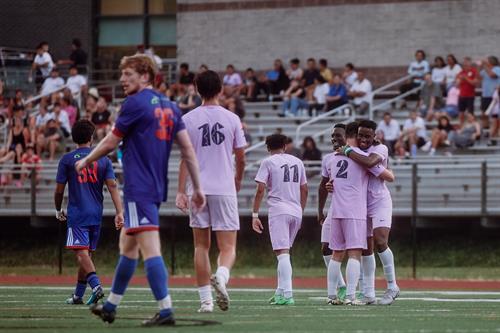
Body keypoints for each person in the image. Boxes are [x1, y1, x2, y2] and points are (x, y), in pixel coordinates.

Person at [77, 54, 205, 326]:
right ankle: (111, 306)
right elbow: (188, 150)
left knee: (150, 249)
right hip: (156, 188)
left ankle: (166, 309)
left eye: (129, 74)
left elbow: (111, 142)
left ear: (145, 75)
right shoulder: (171, 107)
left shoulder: (134, 103)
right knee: (128, 247)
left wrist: (87, 159)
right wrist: (198, 187)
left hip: (139, 189)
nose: (122, 79)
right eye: (122, 74)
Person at [176, 70, 246, 313]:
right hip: (224, 188)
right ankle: (222, 277)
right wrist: (237, 179)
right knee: (228, 247)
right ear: (221, 90)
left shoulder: (188, 119)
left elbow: (185, 158)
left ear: (196, 89)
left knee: (200, 247)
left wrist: (180, 191)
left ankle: (206, 302)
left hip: (198, 189)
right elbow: (241, 157)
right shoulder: (232, 118)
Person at [55, 119, 123, 305]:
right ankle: (78, 295)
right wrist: (119, 212)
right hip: (96, 214)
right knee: (86, 255)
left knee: (81, 254)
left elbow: (59, 190)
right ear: (91, 138)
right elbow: (113, 186)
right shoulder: (103, 159)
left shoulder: (67, 160)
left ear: (74, 138)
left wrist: (58, 208)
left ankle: (96, 286)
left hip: (78, 214)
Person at [324, 121, 392, 305]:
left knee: (337, 253)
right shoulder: (362, 157)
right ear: (356, 135)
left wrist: (330, 185)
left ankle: (331, 295)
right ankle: (350, 296)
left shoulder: (334, 157)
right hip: (355, 211)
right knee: (354, 254)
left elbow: (332, 181)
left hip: (336, 210)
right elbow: (388, 175)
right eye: (360, 136)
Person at [252, 134, 308, 306]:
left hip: (279, 210)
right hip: (295, 210)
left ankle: (288, 294)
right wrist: (301, 210)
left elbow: (260, 189)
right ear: (285, 145)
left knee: (282, 254)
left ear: (267, 147)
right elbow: (304, 189)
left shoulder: (268, 162)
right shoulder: (298, 162)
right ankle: (280, 291)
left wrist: (255, 214)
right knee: (284, 253)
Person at [317, 124, 348, 302]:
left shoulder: (355, 156)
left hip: (352, 209)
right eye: (332, 136)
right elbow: (323, 185)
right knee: (326, 248)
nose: (334, 139)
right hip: (334, 208)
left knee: (356, 250)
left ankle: (363, 290)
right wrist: (320, 210)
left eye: (338, 135)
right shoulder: (328, 158)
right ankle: (341, 285)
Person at [457, 57, 479, 125]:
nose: (465, 65)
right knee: (461, 113)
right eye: (464, 64)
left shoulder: (474, 71)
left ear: (470, 64)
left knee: (470, 113)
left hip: (470, 96)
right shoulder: (460, 73)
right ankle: (461, 126)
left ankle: (473, 125)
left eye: (467, 63)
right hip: (461, 95)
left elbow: (475, 83)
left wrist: (466, 78)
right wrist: (460, 80)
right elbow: (457, 84)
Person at [479, 56, 500, 129]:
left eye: (487, 61)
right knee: (484, 113)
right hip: (485, 94)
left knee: (495, 115)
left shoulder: (497, 69)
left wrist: (484, 66)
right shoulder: (485, 70)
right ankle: (485, 129)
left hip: (494, 95)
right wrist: (480, 66)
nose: (485, 62)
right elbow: (478, 76)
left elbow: (492, 75)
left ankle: (495, 130)